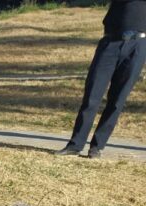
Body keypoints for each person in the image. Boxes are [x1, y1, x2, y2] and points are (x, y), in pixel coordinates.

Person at [57, 0, 146, 159]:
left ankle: (97, 147)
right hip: (111, 41)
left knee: (118, 100)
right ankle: (75, 144)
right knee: (92, 96)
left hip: (138, 44)